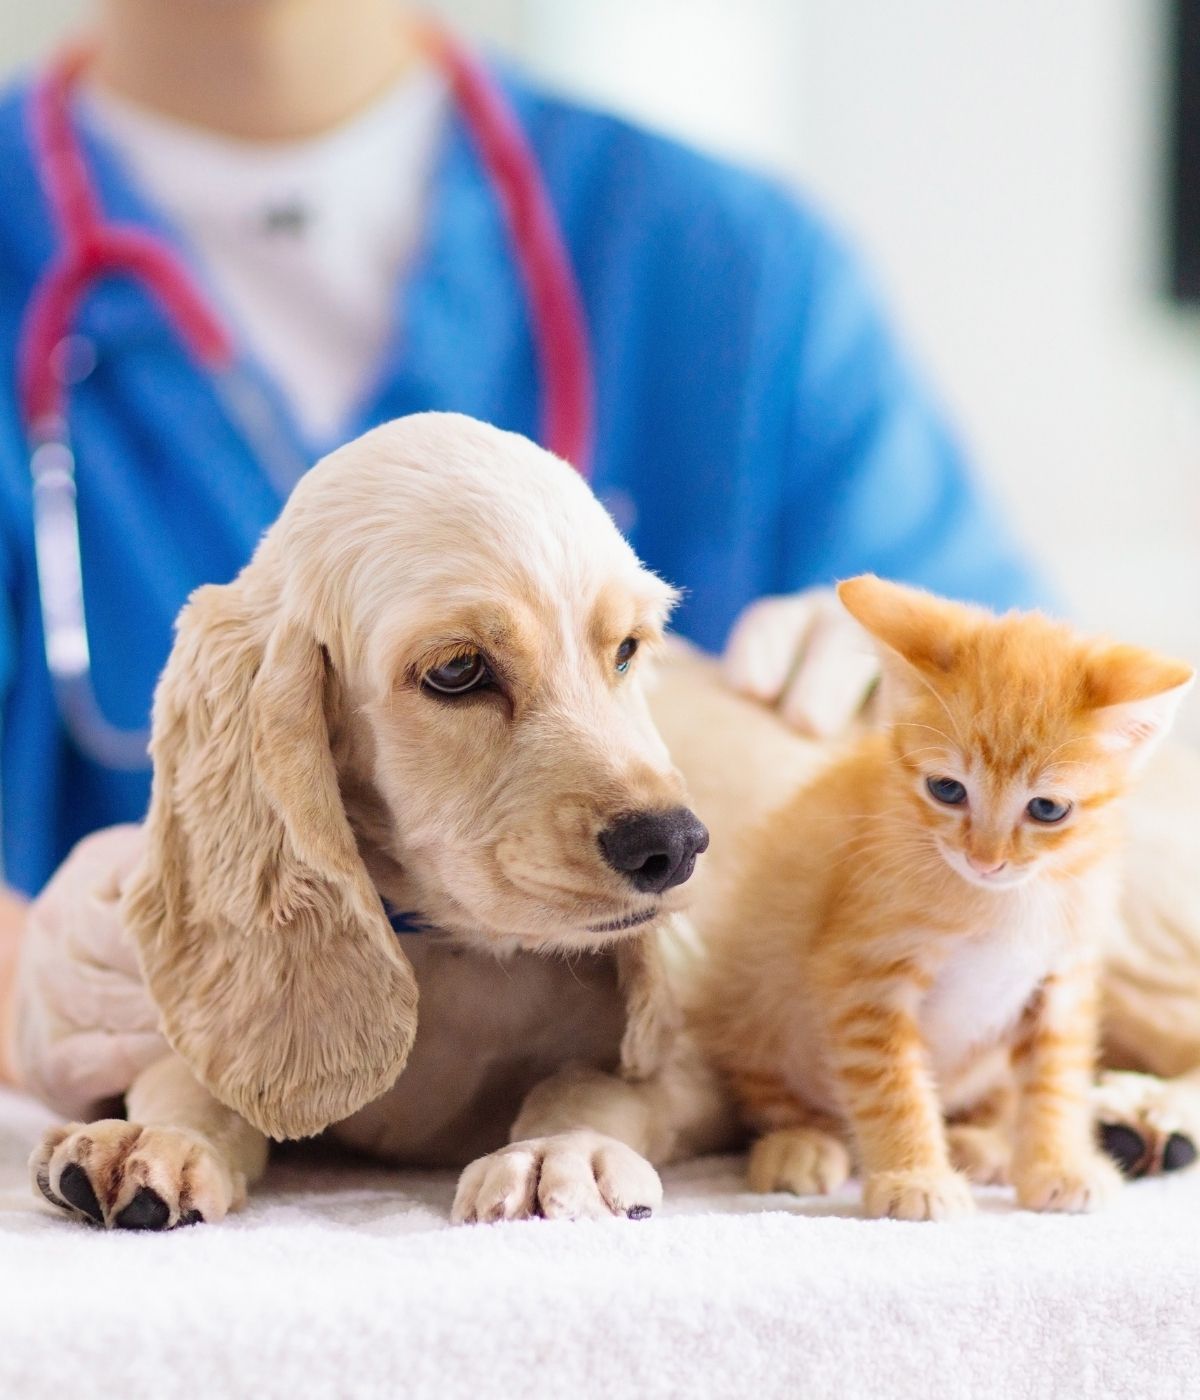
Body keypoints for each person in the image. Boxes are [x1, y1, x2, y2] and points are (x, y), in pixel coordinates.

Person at [0, 0, 1040, 1087]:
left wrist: (945, 716)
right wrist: (30, 979)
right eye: (461, 667)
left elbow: (1105, 773)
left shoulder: (734, 269)